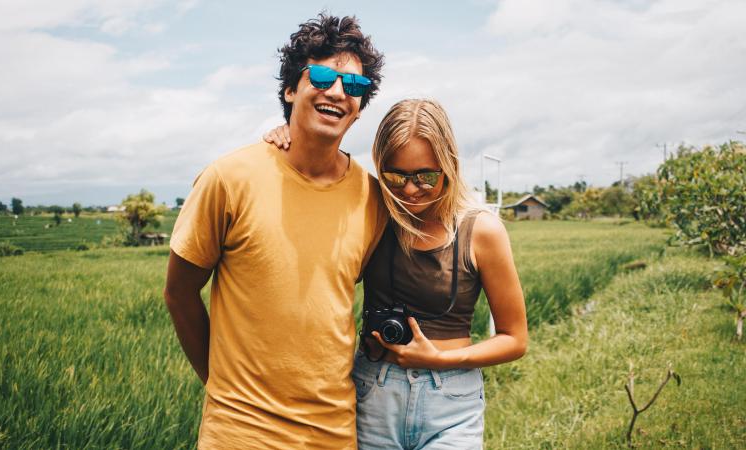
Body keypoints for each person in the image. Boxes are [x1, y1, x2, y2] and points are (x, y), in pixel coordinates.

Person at [164, 13, 386, 449]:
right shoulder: (230, 178)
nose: (339, 92)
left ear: (359, 109)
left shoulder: (371, 198)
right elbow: (179, 293)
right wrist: (223, 389)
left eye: (355, 86)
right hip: (240, 432)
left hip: (334, 434)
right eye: (322, 76)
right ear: (290, 89)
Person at [264, 98, 528, 449]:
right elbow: (308, 203)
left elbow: (515, 339)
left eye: (425, 177)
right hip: (375, 392)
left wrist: (440, 359)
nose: (409, 189)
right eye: (395, 176)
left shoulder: (481, 231)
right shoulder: (372, 210)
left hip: (452, 404)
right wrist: (289, 142)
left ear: (448, 165)